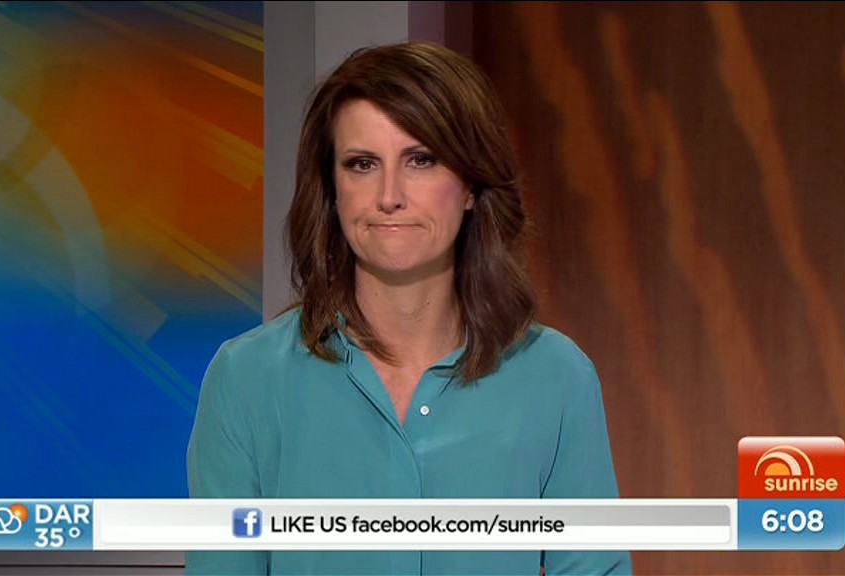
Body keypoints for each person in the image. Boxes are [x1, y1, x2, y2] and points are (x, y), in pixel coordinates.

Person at [186, 42, 631, 576]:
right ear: (332, 190)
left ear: (471, 185)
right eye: (362, 164)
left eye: (421, 160)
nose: (389, 196)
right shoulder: (246, 379)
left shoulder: (556, 378)